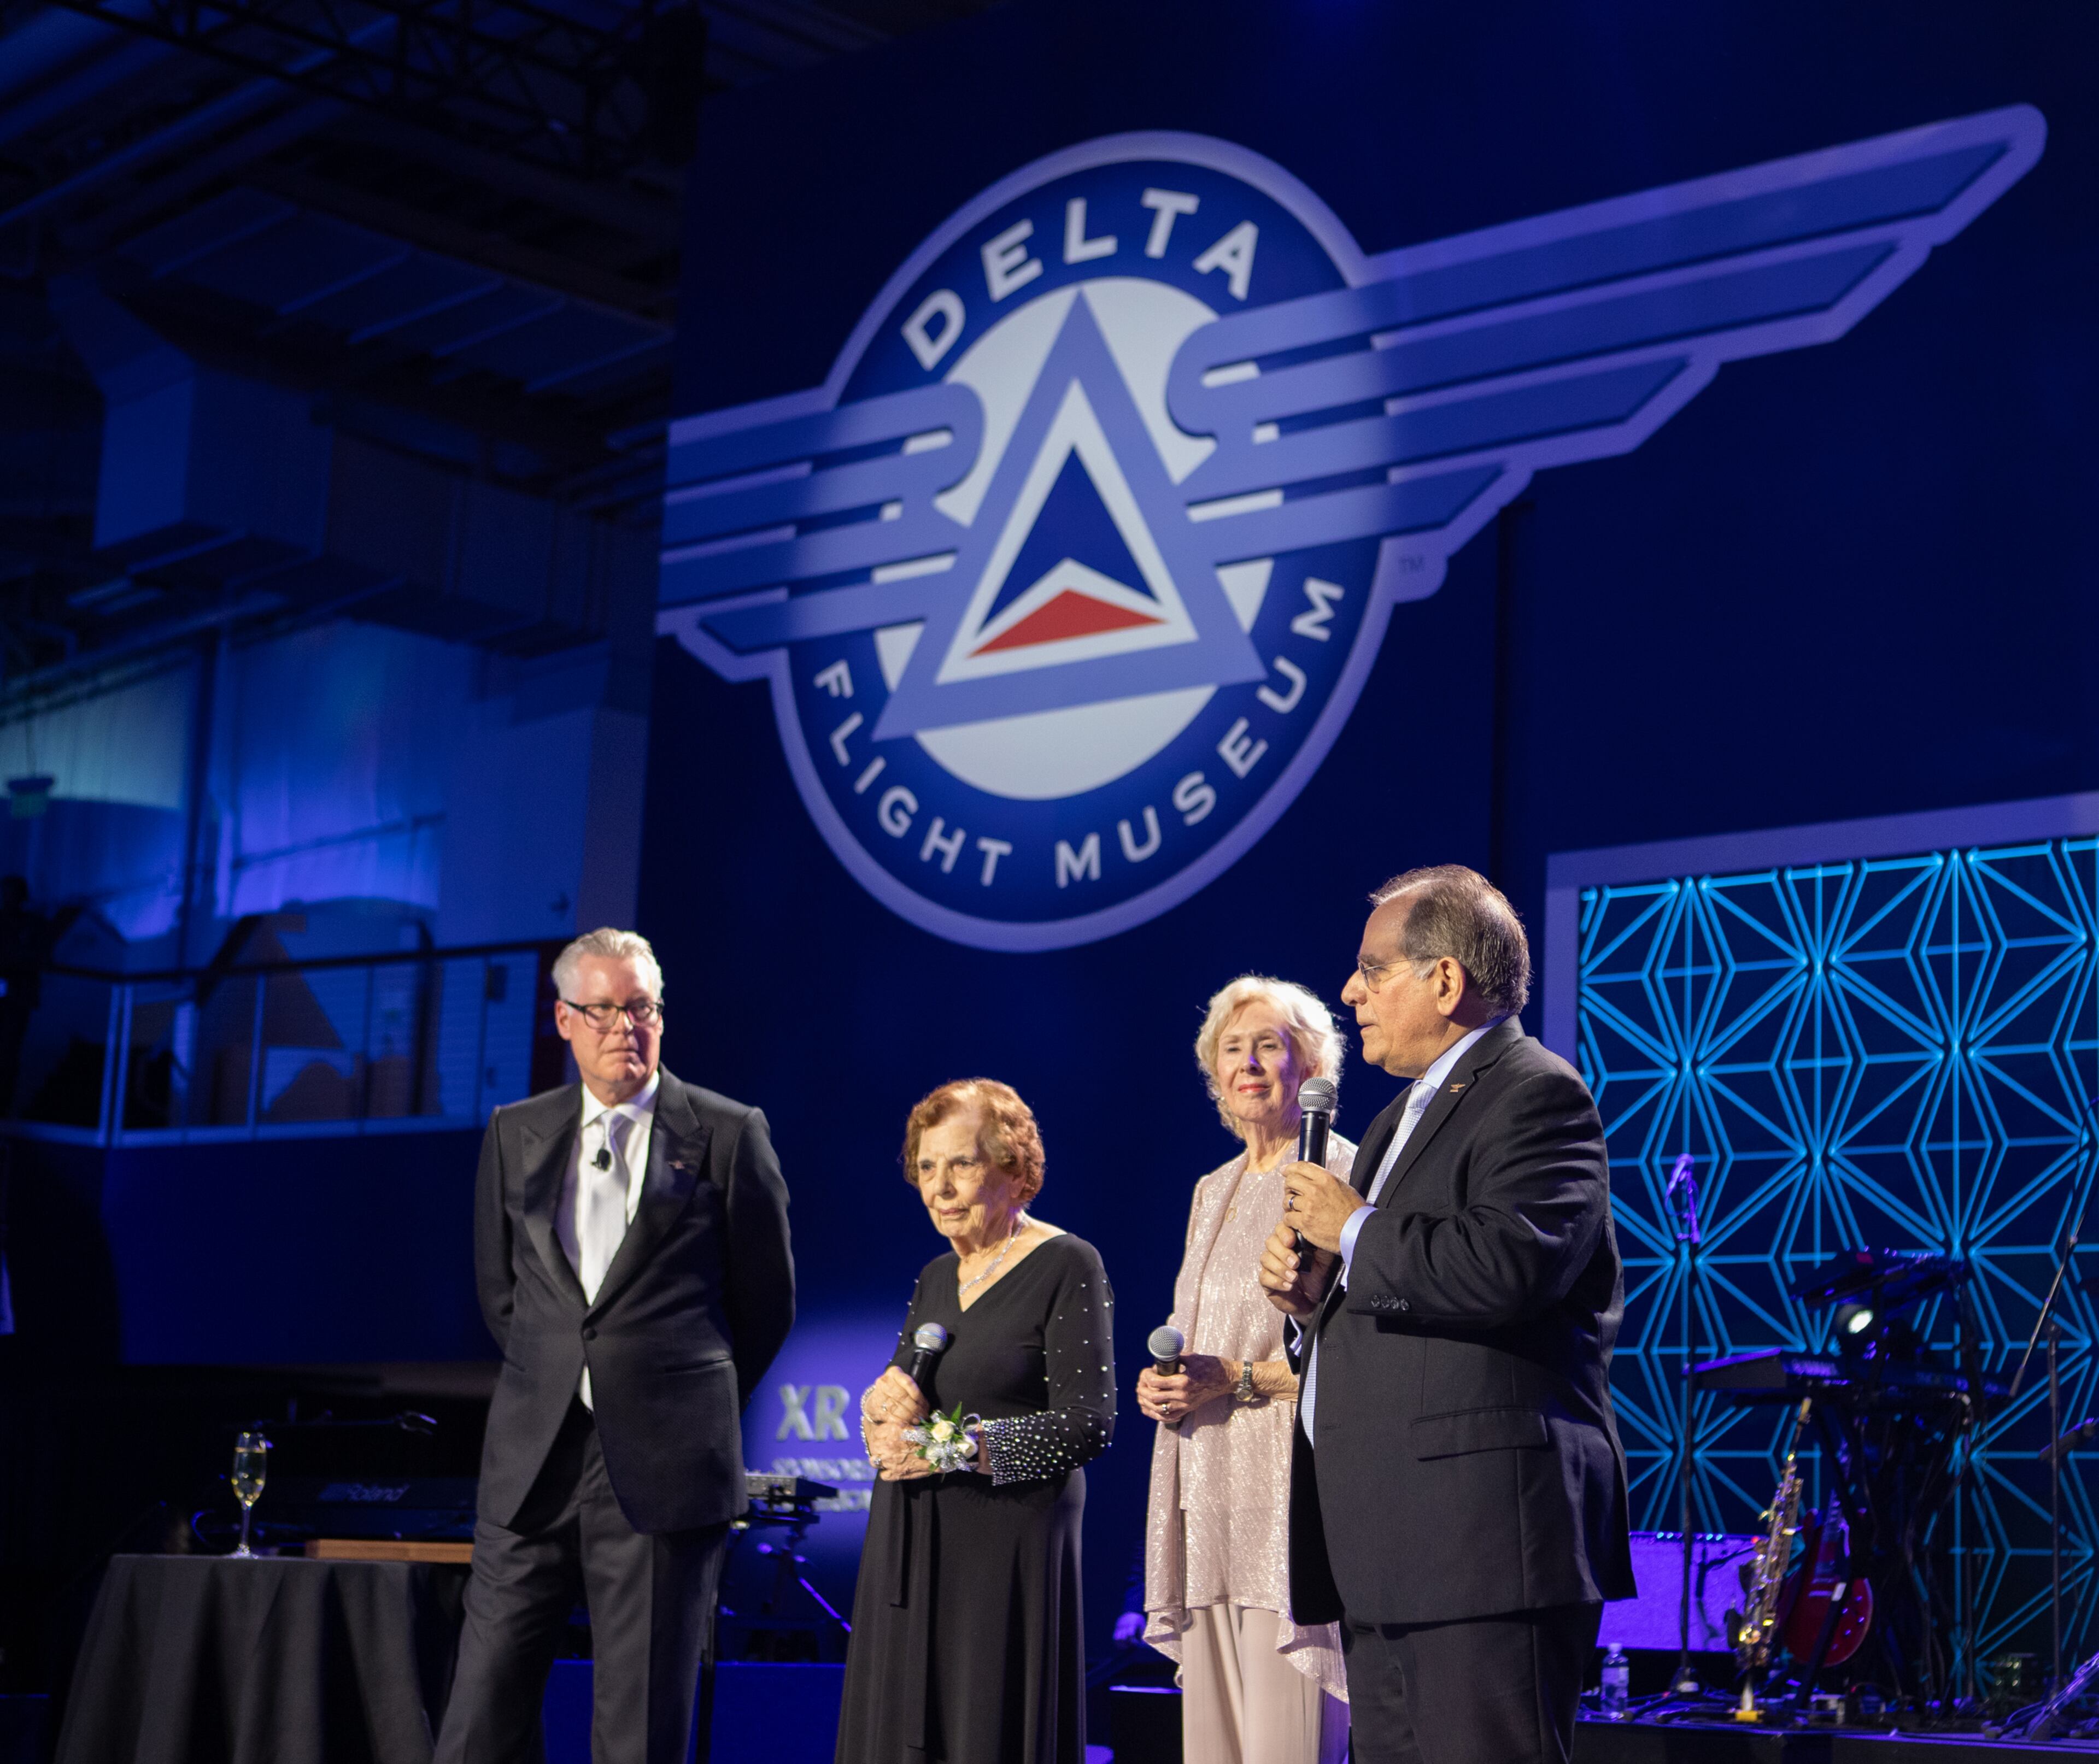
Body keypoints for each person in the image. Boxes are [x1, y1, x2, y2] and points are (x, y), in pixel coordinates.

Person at [1259, 866, 1633, 1764]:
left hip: (1480, 1545)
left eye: (1371, 970)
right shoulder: (1396, 1120)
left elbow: (1507, 1266)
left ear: (1444, 980)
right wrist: (1313, 1304)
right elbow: (1399, 1286)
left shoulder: (1536, 1095)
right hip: (1390, 1540)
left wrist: (1350, 1225)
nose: (1349, 991)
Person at [437, 927, 794, 1764]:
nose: (623, 1028)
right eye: (602, 1010)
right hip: (534, 1459)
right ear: (564, 1020)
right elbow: (503, 1295)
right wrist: (565, 1373)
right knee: (477, 1718)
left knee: (637, 1729)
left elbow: (765, 1307)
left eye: (641, 1009)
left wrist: (674, 1399)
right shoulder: (515, 1131)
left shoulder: (729, 1133)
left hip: (664, 1466)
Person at [837, 1079, 1115, 1764]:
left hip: (1002, 1552)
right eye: (926, 1168)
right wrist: (876, 1411)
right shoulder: (936, 1275)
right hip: (909, 1541)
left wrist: (953, 1451)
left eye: (960, 1163)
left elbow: (1088, 1425)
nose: (940, 1186)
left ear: (1013, 1167)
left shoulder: (1067, 1263)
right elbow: (908, 1400)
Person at [1136, 975, 1352, 1764]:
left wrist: (1237, 1378)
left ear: (1311, 1062)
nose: (1250, 1063)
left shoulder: (1341, 1173)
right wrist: (1165, 1385)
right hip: (1205, 1510)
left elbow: (1363, 1367)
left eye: (1270, 1045)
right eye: (1234, 1048)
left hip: (1285, 1513)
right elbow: (1203, 1338)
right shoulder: (1211, 1189)